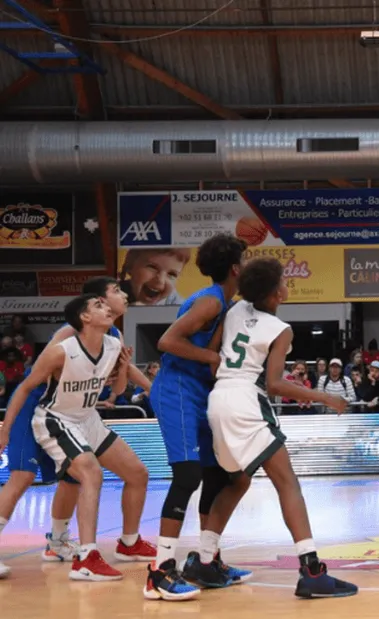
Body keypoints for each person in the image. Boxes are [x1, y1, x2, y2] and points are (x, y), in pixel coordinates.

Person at [200, 257, 358, 599]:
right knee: (288, 482)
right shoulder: (280, 329)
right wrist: (324, 397)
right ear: (277, 295)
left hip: (219, 399)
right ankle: (311, 571)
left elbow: (212, 357)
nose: (287, 285)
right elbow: (274, 384)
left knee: (237, 481)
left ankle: (204, 558)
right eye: (284, 281)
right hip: (245, 401)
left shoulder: (235, 310)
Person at [0, 276, 154, 580]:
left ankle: (95, 542)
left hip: (83, 415)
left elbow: (117, 378)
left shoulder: (113, 338)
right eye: (115, 291)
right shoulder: (67, 340)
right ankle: (86, 556)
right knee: (24, 475)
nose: (123, 295)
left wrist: (143, 386)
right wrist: (6, 427)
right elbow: (33, 382)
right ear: (93, 306)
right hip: (41, 407)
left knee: (122, 474)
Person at [147, 233, 250, 600]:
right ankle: (159, 570)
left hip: (200, 391)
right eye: (245, 260)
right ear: (235, 268)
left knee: (217, 474)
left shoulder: (228, 302)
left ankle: (207, 560)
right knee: (188, 474)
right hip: (177, 388)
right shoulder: (210, 301)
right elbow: (167, 341)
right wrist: (211, 357)